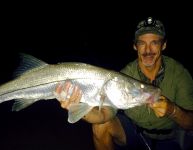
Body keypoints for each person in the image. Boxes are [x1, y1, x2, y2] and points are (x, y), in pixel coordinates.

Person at [55, 17, 193, 150]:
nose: (148, 50)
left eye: (155, 43)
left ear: (163, 45)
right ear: (135, 46)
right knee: (101, 126)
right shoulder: (124, 77)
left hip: (171, 140)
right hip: (136, 135)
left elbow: (190, 123)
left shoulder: (179, 74)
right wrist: (75, 106)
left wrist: (172, 110)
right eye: (142, 43)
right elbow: (104, 115)